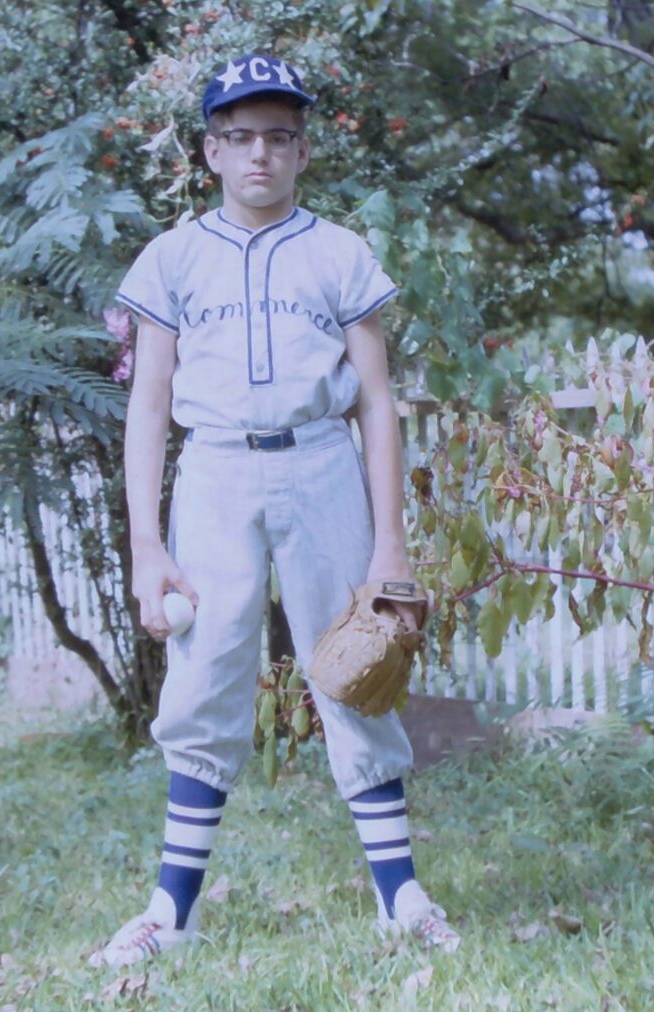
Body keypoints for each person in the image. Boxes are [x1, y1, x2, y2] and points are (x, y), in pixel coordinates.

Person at [95, 52, 460, 968]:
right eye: (240, 136)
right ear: (211, 150)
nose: (260, 154)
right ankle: (170, 915)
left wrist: (390, 545)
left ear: (303, 150)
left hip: (320, 465)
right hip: (215, 474)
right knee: (203, 676)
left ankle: (402, 898)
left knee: (357, 669)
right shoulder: (172, 258)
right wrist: (146, 547)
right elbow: (147, 406)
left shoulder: (338, 251)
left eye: (279, 136)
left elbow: (376, 401)